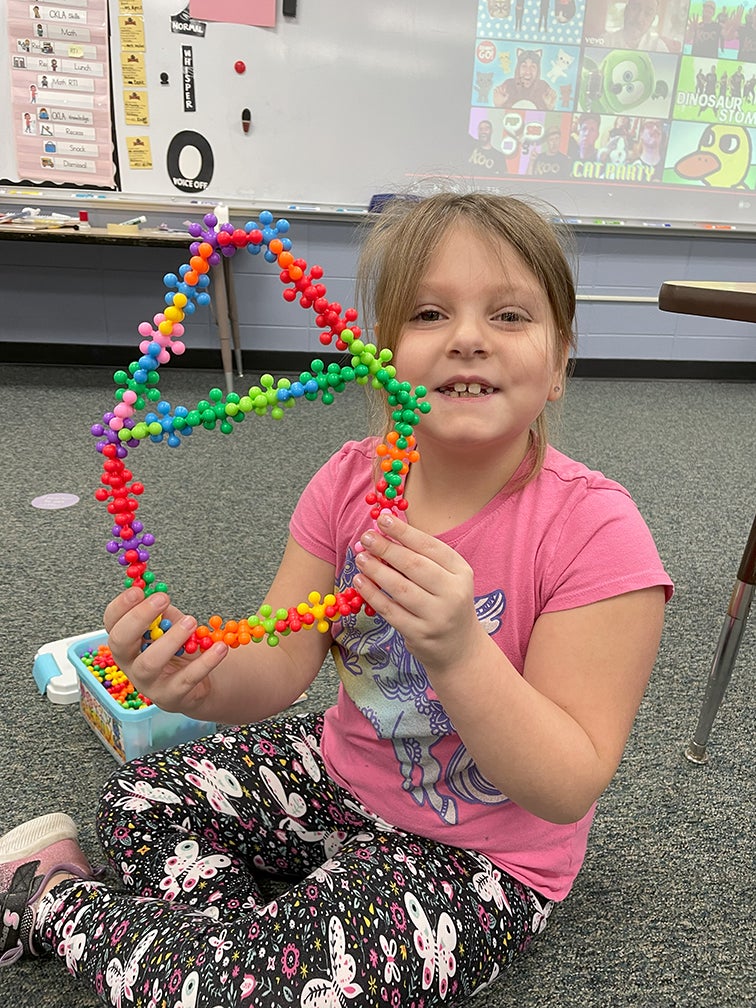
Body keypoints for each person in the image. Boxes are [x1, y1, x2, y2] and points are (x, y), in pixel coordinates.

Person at [0, 192, 673, 1006]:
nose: (467, 337)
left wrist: (459, 650)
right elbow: (281, 665)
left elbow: (567, 784)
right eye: (430, 313)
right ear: (382, 354)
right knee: (137, 800)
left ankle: (57, 905)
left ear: (560, 361)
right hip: (341, 774)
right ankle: (241, 956)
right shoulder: (351, 482)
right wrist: (200, 677)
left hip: (481, 854)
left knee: (254, 981)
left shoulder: (596, 530)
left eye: (508, 315)